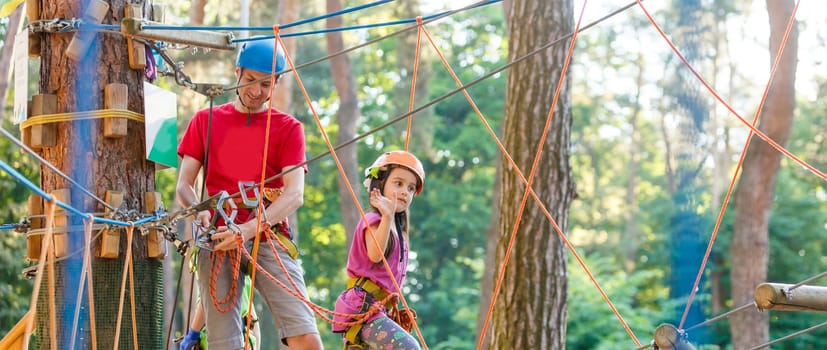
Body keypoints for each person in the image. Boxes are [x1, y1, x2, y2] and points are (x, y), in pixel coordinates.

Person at [176, 37, 323, 350]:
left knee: (306, 338)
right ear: (237, 71)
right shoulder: (206, 119)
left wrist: (247, 229)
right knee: (224, 344)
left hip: (268, 235)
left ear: (277, 84)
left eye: (267, 84)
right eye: (251, 80)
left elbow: (294, 195)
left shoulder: (288, 128)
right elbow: (184, 186)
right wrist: (200, 211)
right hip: (218, 238)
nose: (257, 90)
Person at [332, 151, 424, 350]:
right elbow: (375, 254)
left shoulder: (398, 232)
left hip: (379, 311)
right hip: (363, 310)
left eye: (410, 188)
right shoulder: (375, 221)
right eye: (398, 184)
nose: (405, 192)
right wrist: (387, 216)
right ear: (379, 185)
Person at [178, 276, 260, 350]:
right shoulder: (244, 272)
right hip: (245, 340)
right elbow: (252, 315)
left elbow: (208, 299)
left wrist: (193, 334)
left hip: (217, 339)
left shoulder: (214, 265)